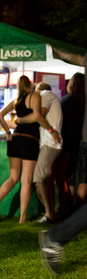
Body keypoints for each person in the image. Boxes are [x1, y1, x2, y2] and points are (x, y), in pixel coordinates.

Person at [0, 76, 57, 223]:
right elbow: (38, 116)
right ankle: (22, 218)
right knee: (26, 180)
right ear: (29, 84)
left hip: (15, 139)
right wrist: (52, 130)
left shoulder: (17, 100)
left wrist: (8, 132)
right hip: (29, 140)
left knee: (13, 178)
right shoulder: (35, 96)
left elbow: (0, 115)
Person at [15, 82, 63, 222]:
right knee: (41, 180)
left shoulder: (45, 95)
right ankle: (51, 212)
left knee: (39, 179)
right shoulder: (49, 96)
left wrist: (19, 120)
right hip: (48, 143)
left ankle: (50, 214)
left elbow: (37, 115)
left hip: (50, 143)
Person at [57, 73, 85, 213]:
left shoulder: (65, 101)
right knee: (84, 175)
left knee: (69, 175)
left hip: (68, 142)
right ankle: (79, 207)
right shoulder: (85, 101)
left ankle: (68, 204)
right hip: (84, 140)